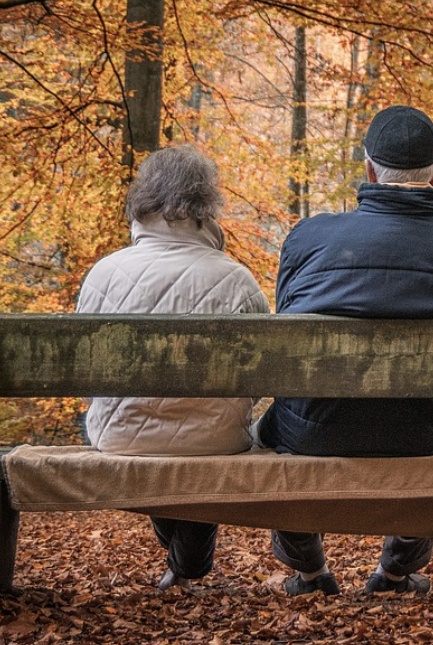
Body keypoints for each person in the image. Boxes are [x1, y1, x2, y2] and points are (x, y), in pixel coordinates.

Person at [255, 105, 433, 597]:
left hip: (314, 432)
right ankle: (395, 574)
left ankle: (309, 574)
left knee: (280, 423)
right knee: (427, 418)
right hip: (423, 433)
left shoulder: (308, 237)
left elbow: (288, 324)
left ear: (368, 169)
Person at [78, 145, 270, 592]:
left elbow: (87, 376)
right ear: (207, 206)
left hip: (118, 435)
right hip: (216, 438)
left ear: (143, 201)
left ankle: (185, 566)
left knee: (162, 446)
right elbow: (261, 376)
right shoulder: (236, 279)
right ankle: (189, 566)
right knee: (199, 443)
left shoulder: (103, 274)